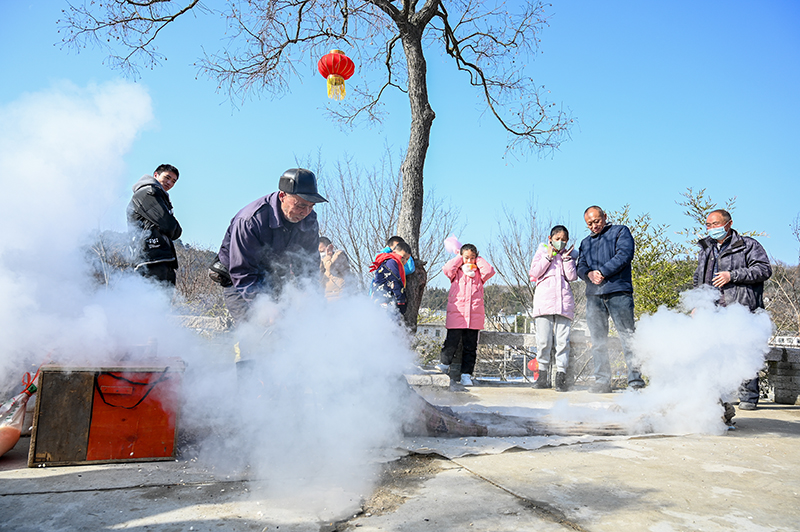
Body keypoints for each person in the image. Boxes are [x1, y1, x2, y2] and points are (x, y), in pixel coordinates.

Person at [212, 168, 326, 370]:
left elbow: (307, 264)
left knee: (288, 329)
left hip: (273, 275)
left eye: (310, 206)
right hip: (238, 278)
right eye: (300, 205)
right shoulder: (250, 220)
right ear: (282, 196)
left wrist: (307, 294)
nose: (305, 212)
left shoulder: (309, 219)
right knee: (254, 331)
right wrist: (263, 307)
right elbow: (243, 273)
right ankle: (249, 389)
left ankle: (283, 386)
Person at [694, 208, 772, 411]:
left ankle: (748, 396)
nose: (711, 228)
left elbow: (764, 269)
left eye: (715, 224)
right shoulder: (706, 248)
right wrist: (697, 302)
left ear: (728, 224)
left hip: (740, 306)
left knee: (744, 351)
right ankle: (721, 396)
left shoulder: (748, 245)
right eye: (708, 225)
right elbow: (698, 278)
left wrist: (732, 275)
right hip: (712, 309)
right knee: (715, 353)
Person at [577, 206, 645, 393]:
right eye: (589, 223)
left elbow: (625, 254)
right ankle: (602, 380)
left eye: (597, 221)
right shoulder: (585, 242)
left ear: (605, 216)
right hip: (594, 296)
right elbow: (580, 265)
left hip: (618, 292)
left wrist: (603, 272)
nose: (594, 226)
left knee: (628, 337)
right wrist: (588, 274)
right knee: (598, 340)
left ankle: (635, 381)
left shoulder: (620, 231)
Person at [438, 243, 496, 387]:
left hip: (474, 317)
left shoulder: (479, 275)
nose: (469, 261)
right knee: (451, 342)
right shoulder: (456, 273)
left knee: (470, 347)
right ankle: (444, 365)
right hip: (457, 314)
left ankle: (466, 374)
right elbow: (446, 268)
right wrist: (459, 257)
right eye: (466, 258)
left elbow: (489, 271)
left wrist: (478, 259)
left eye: (472, 258)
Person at [529, 225, 577, 392]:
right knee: (543, 341)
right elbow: (534, 272)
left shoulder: (569, 255)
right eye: (557, 239)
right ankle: (542, 376)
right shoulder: (542, 252)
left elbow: (572, 277)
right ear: (550, 239)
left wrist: (567, 260)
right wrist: (548, 257)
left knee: (563, 342)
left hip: (564, 304)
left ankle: (561, 377)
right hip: (544, 303)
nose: (560, 243)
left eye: (564, 240)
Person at [127, 164, 182, 285]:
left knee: (161, 302)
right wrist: (176, 229)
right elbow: (169, 225)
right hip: (150, 258)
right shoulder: (148, 192)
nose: (169, 183)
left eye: (173, 181)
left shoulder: (159, 195)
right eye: (167, 177)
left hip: (159, 258)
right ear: (156, 175)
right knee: (152, 301)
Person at [370, 241, 412, 316]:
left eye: (407, 259)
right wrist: (401, 301)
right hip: (384, 301)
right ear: (394, 252)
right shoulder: (391, 262)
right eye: (402, 257)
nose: (404, 261)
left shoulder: (393, 262)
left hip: (385, 300)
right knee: (388, 324)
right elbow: (395, 281)